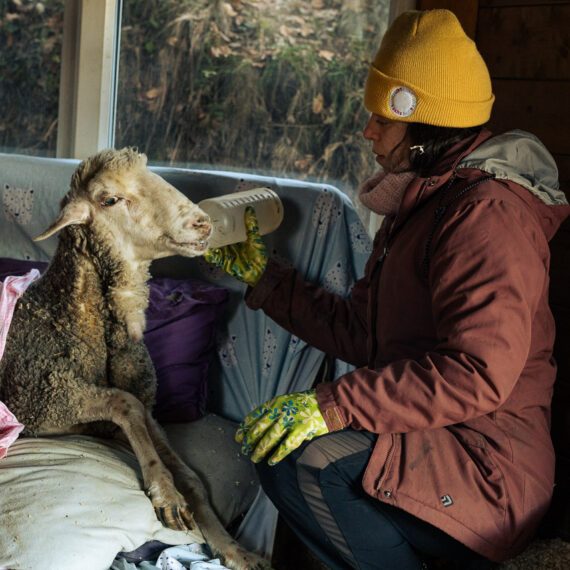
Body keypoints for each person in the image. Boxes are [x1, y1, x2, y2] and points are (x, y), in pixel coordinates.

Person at [204, 9, 570, 570]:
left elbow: (478, 373)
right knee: (281, 446)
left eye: (382, 118)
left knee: (302, 459)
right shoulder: (422, 203)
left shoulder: (486, 216)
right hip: (434, 440)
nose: (368, 130)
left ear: (424, 125)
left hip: (486, 467)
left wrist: (332, 405)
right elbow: (362, 330)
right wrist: (265, 281)